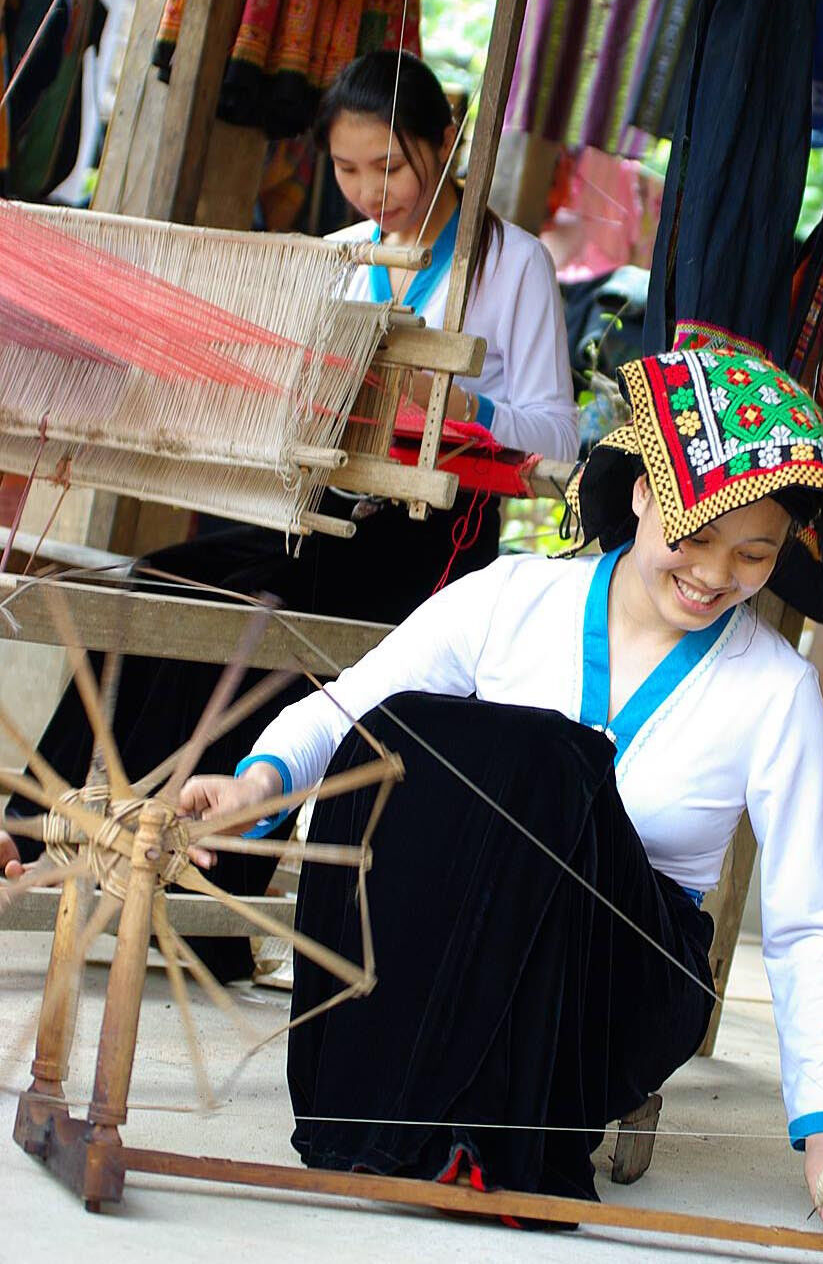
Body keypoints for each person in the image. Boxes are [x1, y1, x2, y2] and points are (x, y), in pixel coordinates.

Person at [171, 333, 823, 1229]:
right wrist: (260, 781)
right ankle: (403, 1117)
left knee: (552, 759)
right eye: (696, 537)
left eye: (755, 555)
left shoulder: (777, 689)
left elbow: (807, 919)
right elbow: (352, 706)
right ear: (641, 494)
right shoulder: (512, 594)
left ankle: (488, 1137)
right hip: (473, 935)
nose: (714, 576)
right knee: (410, 732)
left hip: (621, 973)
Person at [3, 52, 578, 980]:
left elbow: (556, 429)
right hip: (327, 513)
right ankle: (38, 829)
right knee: (158, 582)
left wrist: (446, 405)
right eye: (348, 169)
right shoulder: (341, 257)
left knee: (258, 614)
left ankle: (206, 899)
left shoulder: (510, 265)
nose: (370, 190)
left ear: (444, 142)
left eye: (389, 166)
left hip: (434, 540)